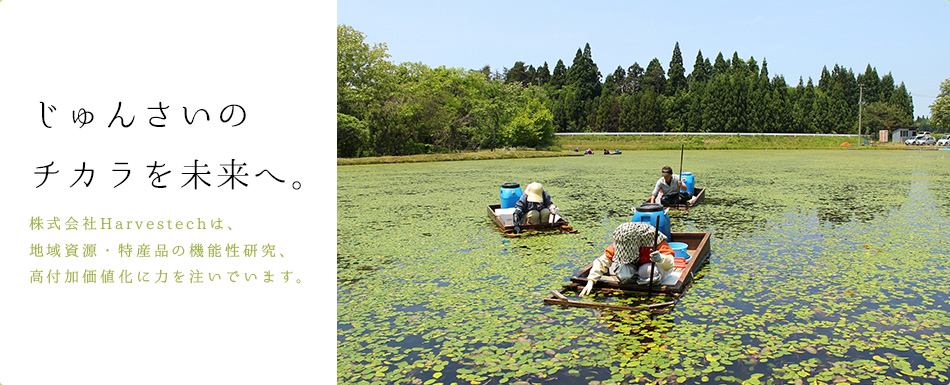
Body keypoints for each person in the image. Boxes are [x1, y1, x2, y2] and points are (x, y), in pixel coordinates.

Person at [579, 222, 675, 296]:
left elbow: (670, 264)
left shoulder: (654, 240)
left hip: (650, 269)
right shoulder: (621, 243)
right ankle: (635, 283)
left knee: (647, 271)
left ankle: (643, 282)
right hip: (634, 267)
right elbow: (602, 261)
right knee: (623, 272)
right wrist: (591, 281)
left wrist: (660, 259)